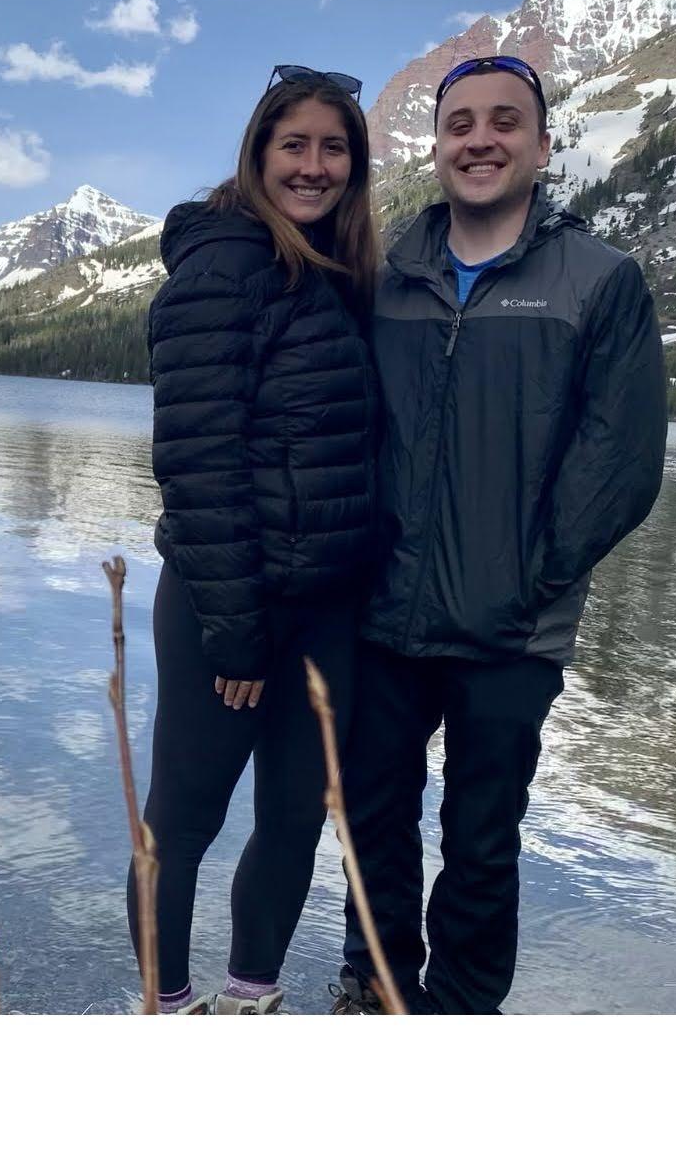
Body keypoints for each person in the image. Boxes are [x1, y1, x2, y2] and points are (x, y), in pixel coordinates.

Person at [329, 55, 667, 1016]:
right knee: (374, 817)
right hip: (383, 613)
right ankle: (373, 987)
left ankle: (462, 1013)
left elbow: (621, 462)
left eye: (503, 122)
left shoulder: (599, 281)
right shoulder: (386, 272)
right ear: (435, 148)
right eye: (459, 124)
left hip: (514, 624)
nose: (479, 140)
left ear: (542, 146)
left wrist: (530, 575)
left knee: (482, 833)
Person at [130, 65, 381, 1014]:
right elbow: (196, 461)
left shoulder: (331, 270)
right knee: (181, 822)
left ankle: (249, 1001)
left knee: (291, 820)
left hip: (324, 607)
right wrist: (237, 628)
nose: (313, 167)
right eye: (295, 145)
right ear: (258, 152)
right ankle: (166, 1007)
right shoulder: (224, 264)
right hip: (222, 604)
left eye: (333, 148)